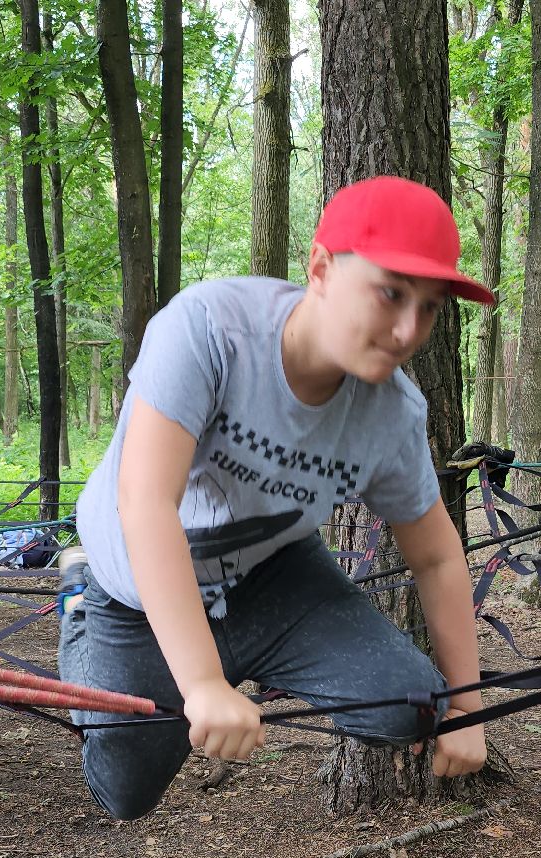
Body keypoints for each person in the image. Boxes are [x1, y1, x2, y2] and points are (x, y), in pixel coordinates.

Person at [60, 176, 494, 821]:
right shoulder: (209, 328)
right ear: (320, 268)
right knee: (125, 793)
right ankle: (76, 599)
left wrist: (466, 705)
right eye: (390, 292)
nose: (408, 330)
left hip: (274, 573)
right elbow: (147, 501)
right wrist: (203, 683)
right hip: (139, 586)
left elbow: (435, 556)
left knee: (408, 705)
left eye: (429, 307)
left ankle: (243, 654)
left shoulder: (393, 414)